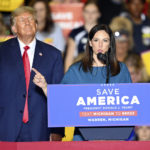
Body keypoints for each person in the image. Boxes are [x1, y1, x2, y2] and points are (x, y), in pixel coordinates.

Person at [36, 24, 134, 141]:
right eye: (96, 40)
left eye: (105, 40)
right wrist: (45, 87)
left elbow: (132, 105)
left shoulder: (121, 70)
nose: (100, 45)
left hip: (115, 137)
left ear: (110, 44)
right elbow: (60, 101)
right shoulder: (76, 70)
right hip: (83, 138)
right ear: (90, 43)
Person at [0, 6, 64, 142]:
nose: (28, 22)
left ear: (36, 25)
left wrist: (58, 131)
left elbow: (59, 96)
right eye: (22, 20)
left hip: (40, 129)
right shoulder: (2, 52)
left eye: (31, 19)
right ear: (14, 28)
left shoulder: (54, 55)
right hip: (5, 127)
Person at [64, 0, 101, 72]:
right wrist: (67, 78)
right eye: (87, 12)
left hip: (100, 70)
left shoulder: (104, 32)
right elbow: (69, 58)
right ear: (83, 13)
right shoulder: (75, 33)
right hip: (80, 70)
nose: (90, 15)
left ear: (98, 14)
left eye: (93, 12)